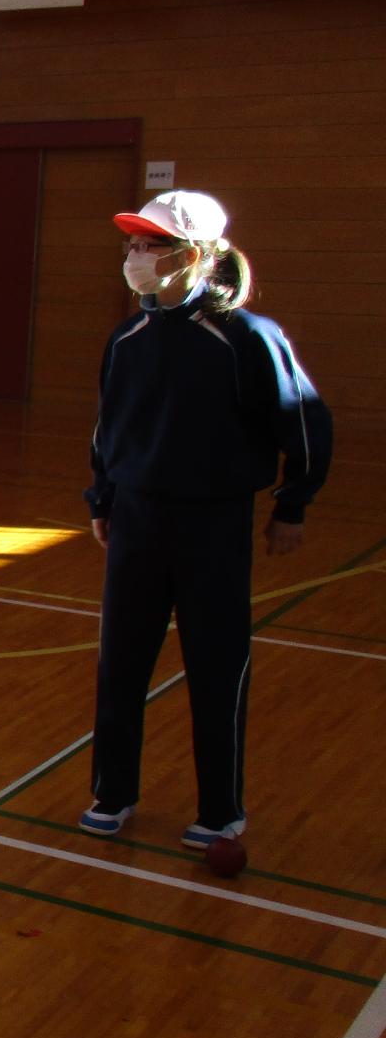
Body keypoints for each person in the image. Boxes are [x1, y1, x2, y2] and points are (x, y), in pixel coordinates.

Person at [79, 190, 331, 846]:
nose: (134, 256)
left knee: (217, 666)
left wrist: (292, 504)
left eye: (149, 245)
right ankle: (114, 792)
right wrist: (104, 499)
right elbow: (109, 429)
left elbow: (303, 421)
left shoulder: (246, 338)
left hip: (213, 525)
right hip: (136, 519)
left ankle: (220, 809)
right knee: (122, 662)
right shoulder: (127, 337)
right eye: (131, 243)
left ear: (191, 256)